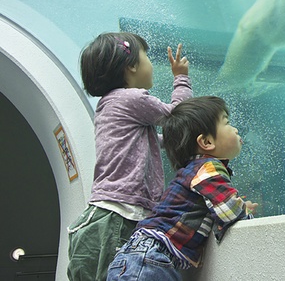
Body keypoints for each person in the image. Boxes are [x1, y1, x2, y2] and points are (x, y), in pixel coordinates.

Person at [67, 32, 193, 281]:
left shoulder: (110, 103)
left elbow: (150, 143)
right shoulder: (131, 98)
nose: (150, 63)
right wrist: (181, 78)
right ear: (132, 65)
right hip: (119, 214)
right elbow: (178, 118)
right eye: (145, 56)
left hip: (113, 212)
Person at [107, 96, 258, 281]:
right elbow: (230, 212)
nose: (235, 129)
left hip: (138, 256)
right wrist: (244, 212)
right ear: (207, 142)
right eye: (227, 123)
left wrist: (238, 205)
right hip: (149, 259)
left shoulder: (191, 172)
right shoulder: (208, 167)